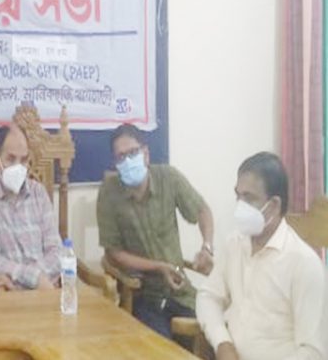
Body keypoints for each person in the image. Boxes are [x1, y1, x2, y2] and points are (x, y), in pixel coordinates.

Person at [196, 152, 327, 360]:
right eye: (238, 196)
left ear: (274, 205)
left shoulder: (304, 263)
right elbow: (208, 297)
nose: (239, 206)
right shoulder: (235, 244)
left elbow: (313, 351)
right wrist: (222, 343)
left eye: (249, 198)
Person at [96, 123, 214, 338]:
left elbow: (202, 211)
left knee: (215, 334)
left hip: (180, 290)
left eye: (133, 153)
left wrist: (207, 247)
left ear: (146, 154)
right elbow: (113, 252)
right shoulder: (109, 192)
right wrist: (158, 267)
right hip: (141, 294)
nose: (128, 161)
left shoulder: (168, 177)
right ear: (115, 163)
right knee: (162, 348)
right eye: (121, 157)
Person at [0, 124, 62, 291]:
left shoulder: (38, 192)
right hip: (10, 293)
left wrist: (36, 278)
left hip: (47, 288)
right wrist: (35, 279)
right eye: (11, 159)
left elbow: (56, 251)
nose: (18, 166)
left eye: (24, 160)